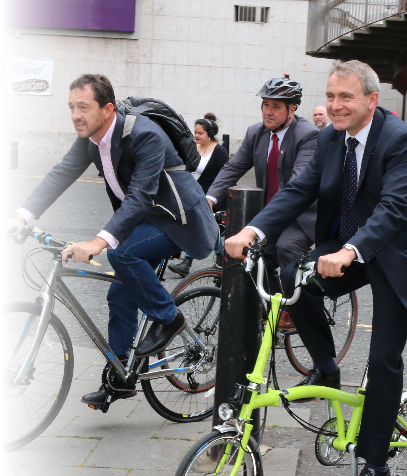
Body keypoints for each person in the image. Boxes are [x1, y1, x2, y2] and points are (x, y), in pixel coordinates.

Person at [225, 60, 407, 476]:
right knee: (291, 279)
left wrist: (348, 251)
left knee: (384, 358)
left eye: (346, 97)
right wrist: (254, 230)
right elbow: (296, 191)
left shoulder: (399, 140)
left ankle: (375, 465)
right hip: (343, 246)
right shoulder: (329, 138)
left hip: (392, 254)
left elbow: (392, 208)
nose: (336, 105)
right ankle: (326, 364)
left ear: (371, 100)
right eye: (330, 96)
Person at [2, 74, 218, 408]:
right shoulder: (91, 138)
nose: (76, 114)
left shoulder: (144, 135)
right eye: (72, 106)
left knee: (123, 256)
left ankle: (169, 318)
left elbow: (140, 197)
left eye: (83, 107)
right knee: (120, 293)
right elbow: (61, 174)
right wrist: (22, 215)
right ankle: (120, 379)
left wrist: (98, 243)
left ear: (107, 109)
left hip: (178, 221)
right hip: (145, 219)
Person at [207, 75, 319, 328]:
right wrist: (209, 199)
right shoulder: (255, 133)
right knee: (252, 257)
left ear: (293, 109)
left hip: (298, 216)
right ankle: (273, 306)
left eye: (276, 106)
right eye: (265, 105)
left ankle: (295, 309)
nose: (268, 112)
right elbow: (233, 168)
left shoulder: (308, 135)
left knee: (285, 248)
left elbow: (297, 186)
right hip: (266, 215)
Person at [169, 113, 229, 277]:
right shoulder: (192, 148)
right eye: (195, 132)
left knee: (199, 226)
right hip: (192, 195)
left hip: (211, 198)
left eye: (200, 133)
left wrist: (217, 197)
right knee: (203, 227)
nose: (196, 135)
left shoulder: (219, 151)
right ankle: (221, 253)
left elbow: (225, 177)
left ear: (209, 134)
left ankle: (187, 262)